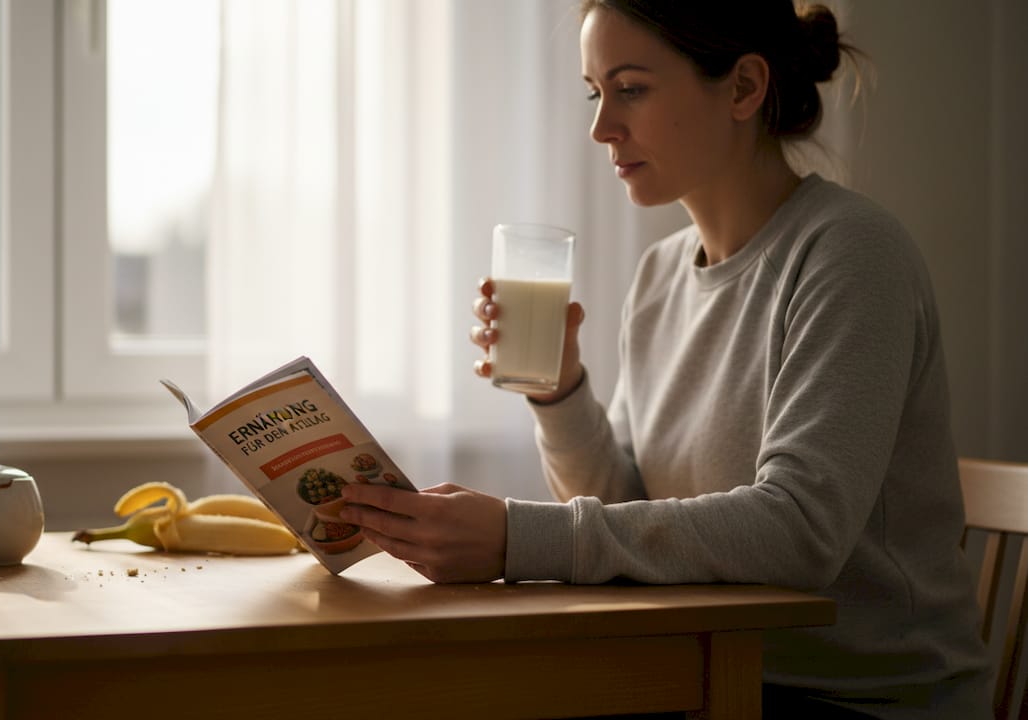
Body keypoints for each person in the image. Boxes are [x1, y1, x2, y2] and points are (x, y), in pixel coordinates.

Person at [339, 0, 992, 717]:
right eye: (595, 92)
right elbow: (634, 516)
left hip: (857, 701)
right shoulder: (659, 277)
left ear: (744, 87)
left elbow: (801, 532)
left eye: (631, 89)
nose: (600, 127)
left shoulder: (851, 254)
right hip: (702, 677)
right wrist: (560, 392)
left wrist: (513, 540)